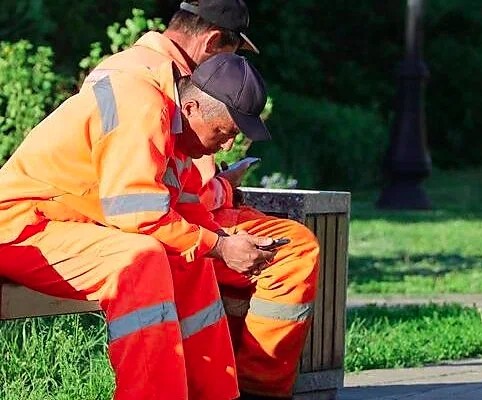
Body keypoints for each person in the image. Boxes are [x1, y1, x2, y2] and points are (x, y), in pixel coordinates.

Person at [0, 54, 272, 400]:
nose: (228, 145)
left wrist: (221, 240)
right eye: (225, 131)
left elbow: (185, 204)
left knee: (195, 262)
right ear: (191, 108)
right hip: (18, 226)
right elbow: (140, 217)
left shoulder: (174, 123)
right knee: (140, 259)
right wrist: (219, 247)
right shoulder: (142, 108)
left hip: (63, 225)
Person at [83, 1, 320, 398]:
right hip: (130, 225)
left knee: (220, 261)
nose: (228, 71)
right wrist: (221, 236)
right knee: (290, 253)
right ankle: (256, 390)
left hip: (145, 216)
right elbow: (163, 195)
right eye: (230, 56)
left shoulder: (130, 67)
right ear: (212, 42)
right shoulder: (159, 88)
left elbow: (178, 185)